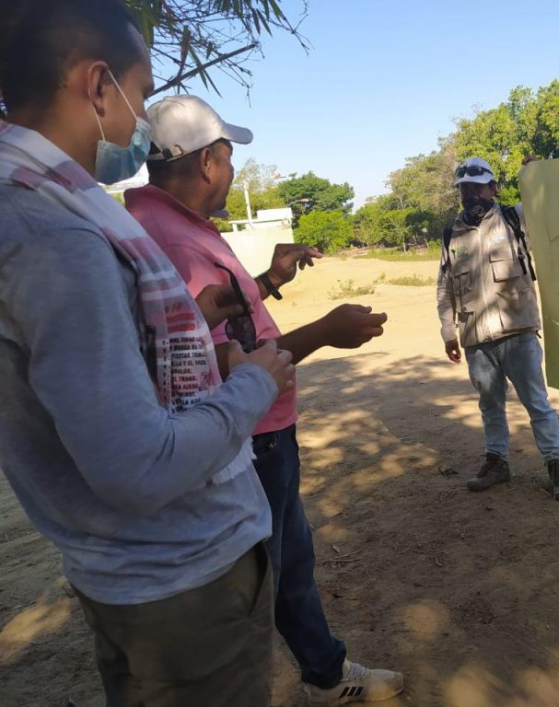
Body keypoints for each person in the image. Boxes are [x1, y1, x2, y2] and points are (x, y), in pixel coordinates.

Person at [0, 1, 297, 705]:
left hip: (134, 573)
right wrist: (252, 384)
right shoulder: (61, 236)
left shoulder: (43, 208)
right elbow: (137, 465)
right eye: (142, 90)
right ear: (98, 85)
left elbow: (107, 372)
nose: (142, 118)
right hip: (181, 579)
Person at [125, 95, 404, 706]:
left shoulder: (171, 226)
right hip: (250, 436)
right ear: (207, 162)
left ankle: (325, 673)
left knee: (290, 560)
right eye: (228, 158)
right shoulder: (173, 241)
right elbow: (220, 363)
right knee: (259, 577)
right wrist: (324, 332)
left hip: (264, 427)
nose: (231, 171)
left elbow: (213, 321)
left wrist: (271, 280)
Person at [437, 156, 559, 501]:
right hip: (476, 339)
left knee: (537, 403)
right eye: (464, 189)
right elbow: (445, 287)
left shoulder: (516, 218)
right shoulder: (451, 234)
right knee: (490, 405)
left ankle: (556, 465)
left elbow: (552, 205)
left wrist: (537, 174)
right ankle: (497, 462)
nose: (471, 195)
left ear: (493, 188)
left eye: (478, 187)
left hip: (519, 332)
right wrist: (448, 331)